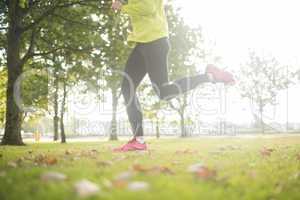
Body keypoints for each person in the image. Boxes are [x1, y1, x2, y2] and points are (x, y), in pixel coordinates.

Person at [112, 0, 235, 152]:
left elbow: (148, 7)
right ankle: (138, 140)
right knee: (127, 87)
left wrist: (123, 8)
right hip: (143, 42)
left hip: (154, 41)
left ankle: (209, 76)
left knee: (164, 92)